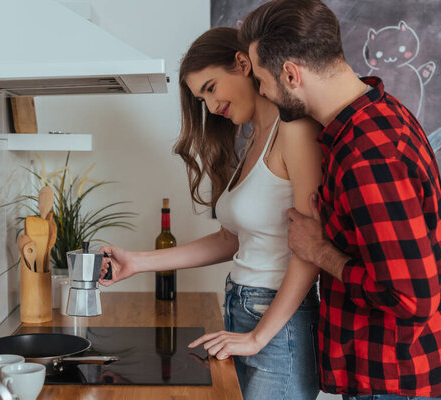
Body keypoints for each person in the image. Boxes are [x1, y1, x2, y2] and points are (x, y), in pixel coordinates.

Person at [99, 27, 323, 400]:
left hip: (280, 324)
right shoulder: (253, 138)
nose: (210, 105)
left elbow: (310, 250)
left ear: (242, 64)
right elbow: (229, 239)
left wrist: (257, 337)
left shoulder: (294, 131)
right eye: (200, 98)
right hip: (242, 307)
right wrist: (137, 261)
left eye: (210, 88)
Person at [239, 1, 441, 399]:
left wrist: (319, 251)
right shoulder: (378, 113)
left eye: (261, 80)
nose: (260, 91)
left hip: (390, 381)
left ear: (291, 74)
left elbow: (412, 298)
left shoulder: (368, 153)